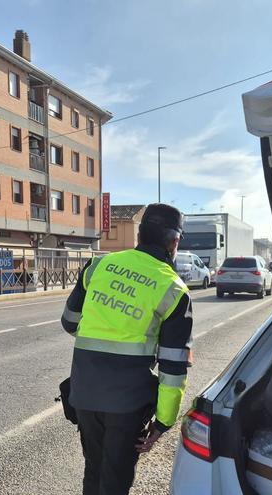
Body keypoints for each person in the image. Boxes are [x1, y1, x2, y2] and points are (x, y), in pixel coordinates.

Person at [61, 203, 193, 495]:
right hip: (127, 404)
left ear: (139, 235)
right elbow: (173, 368)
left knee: (93, 470)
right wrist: (164, 421)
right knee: (115, 479)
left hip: (84, 394)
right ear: (175, 241)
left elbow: (70, 322)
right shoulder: (173, 289)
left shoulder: (99, 265)